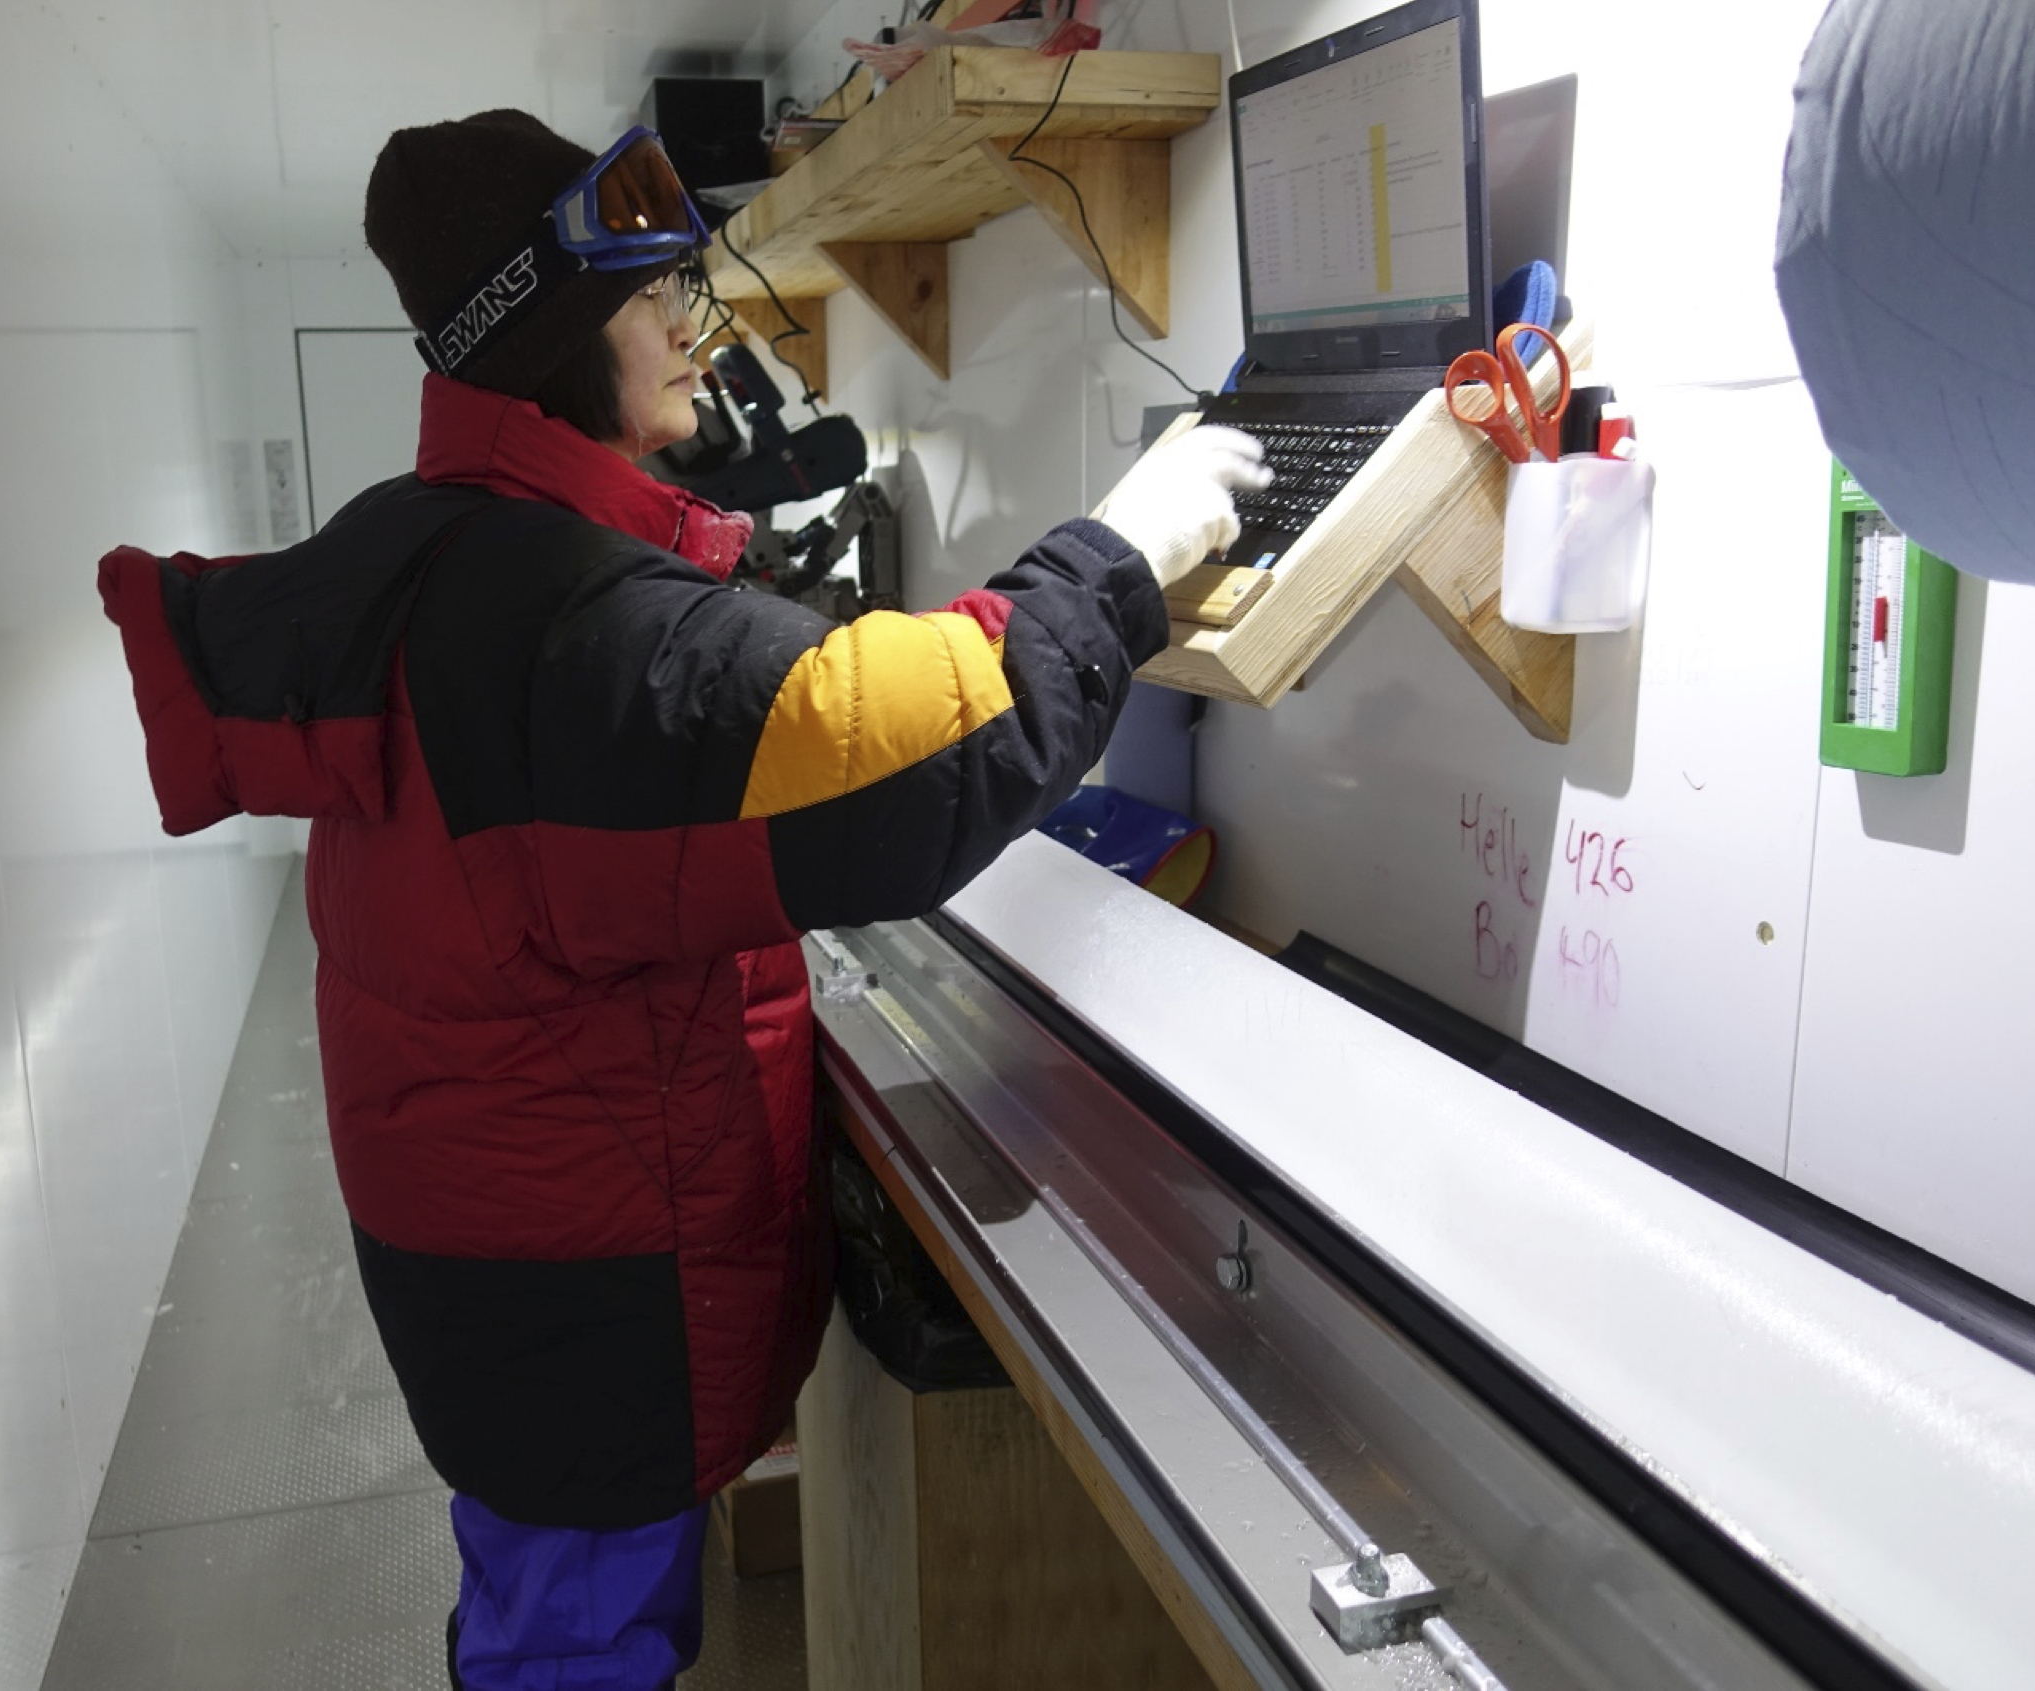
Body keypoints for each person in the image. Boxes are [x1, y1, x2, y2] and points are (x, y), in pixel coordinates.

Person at [98, 108, 1265, 1691]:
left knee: (539, 1596)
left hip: (485, 1230)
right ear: (564, 332)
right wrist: (1119, 558)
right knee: (575, 1642)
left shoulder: (439, 541)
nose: (689, 332)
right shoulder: (557, 625)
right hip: (568, 1282)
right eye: (657, 302)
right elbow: (906, 751)